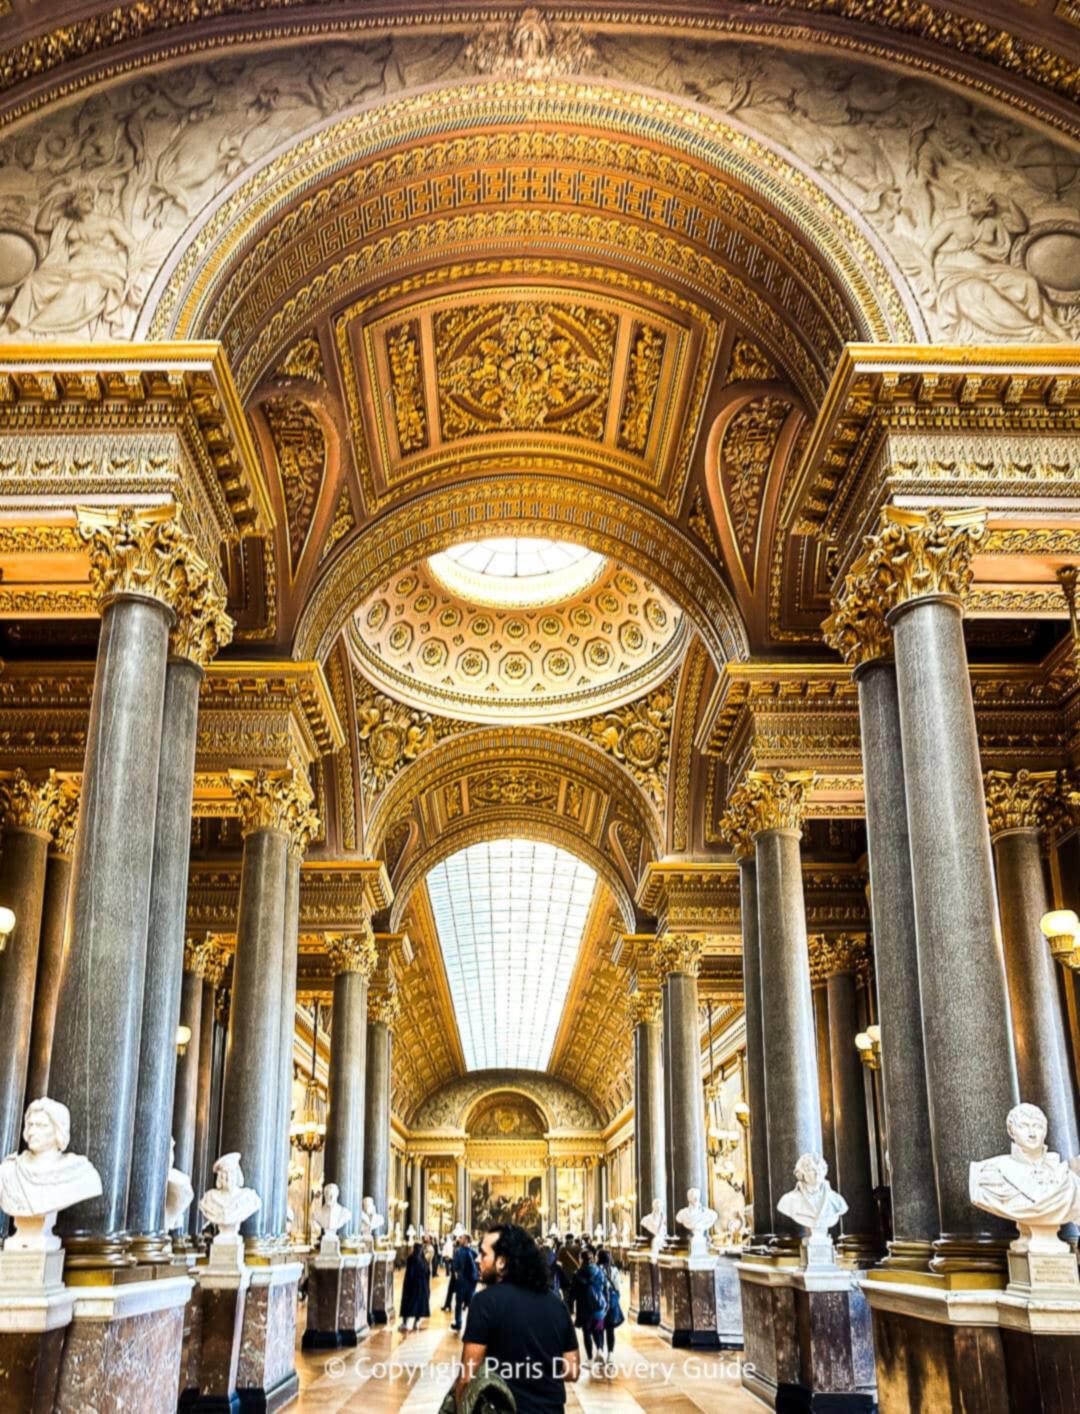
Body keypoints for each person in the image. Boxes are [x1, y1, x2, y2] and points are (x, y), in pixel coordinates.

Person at [454, 1223, 579, 1414]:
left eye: (483, 1254)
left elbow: (467, 1376)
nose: (477, 1260)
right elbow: (572, 1371)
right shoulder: (557, 1304)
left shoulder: (484, 1303)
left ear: (502, 1262)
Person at [570, 1245, 609, 1367]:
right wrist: (606, 1303)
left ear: (581, 1259)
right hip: (599, 1308)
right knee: (598, 1330)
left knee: (587, 1333)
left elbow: (573, 1294)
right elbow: (605, 1288)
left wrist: (570, 1305)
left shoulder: (577, 1274)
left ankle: (590, 1359)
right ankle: (600, 1351)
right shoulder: (599, 1271)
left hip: (584, 1309)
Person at [595, 1250, 624, 1367]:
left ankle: (600, 1350)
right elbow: (617, 1286)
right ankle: (610, 1355)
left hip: (599, 1303)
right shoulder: (614, 1270)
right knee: (610, 1329)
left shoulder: (595, 1269)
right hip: (611, 1303)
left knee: (599, 1328)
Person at [399, 1241, 432, 1332]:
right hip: (422, 1287)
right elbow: (427, 1273)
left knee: (407, 1304)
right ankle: (416, 1323)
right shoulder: (423, 1260)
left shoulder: (411, 1259)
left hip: (411, 1286)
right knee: (419, 1305)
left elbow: (409, 1274)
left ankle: (405, 1323)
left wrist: (407, 1285)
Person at [451, 1231, 479, 1331]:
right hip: (463, 1282)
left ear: (466, 1239)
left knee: (471, 1304)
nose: (460, 1239)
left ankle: (471, 1325)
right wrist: (458, 1277)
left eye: (461, 1238)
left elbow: (477, 1263)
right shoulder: (459, 1251)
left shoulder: (472, 1252)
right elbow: (455, 1267)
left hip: (471, 1282)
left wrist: (476, 1276)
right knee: (459, 1303)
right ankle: (458, 1323)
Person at [442, 1233, 457, 1312]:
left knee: (457, 1292)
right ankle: (447, 1305)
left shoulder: (458, 1249)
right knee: (450, 1290)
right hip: (454, 1273)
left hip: (457, 1274)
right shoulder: (454, 1248)